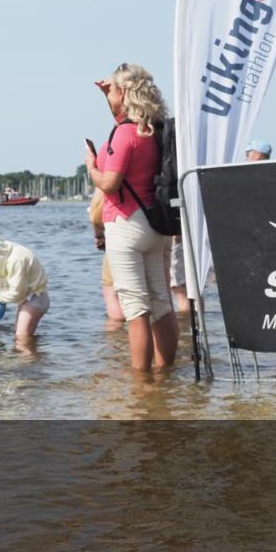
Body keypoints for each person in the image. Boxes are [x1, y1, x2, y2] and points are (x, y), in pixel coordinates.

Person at [85, 63, 178, 372]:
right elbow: (121, 116)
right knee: (161, 303)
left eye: (112, 89)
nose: (108, 94)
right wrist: (107, 95)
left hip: (126, 224)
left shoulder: (125, 133)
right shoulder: (153, 128)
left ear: (123, 92)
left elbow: (110, 184)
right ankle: (165, 375)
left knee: (135, 308)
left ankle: (142, 386)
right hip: (156, 225)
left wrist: (91, 167)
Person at [0, 230, 50, 341]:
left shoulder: (16, 260)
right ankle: (30, 356)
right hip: (27, 298)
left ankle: (30, 357)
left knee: (22, 338)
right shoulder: (3, 252)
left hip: (36, 297)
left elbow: (17, 293)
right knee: (20, 334)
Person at [87, 189, 125, 322]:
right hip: (154, 236)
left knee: (111, 292)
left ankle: (116, 336)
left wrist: (98, 236)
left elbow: (96, 213)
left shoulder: (108, 176)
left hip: (118, 239)